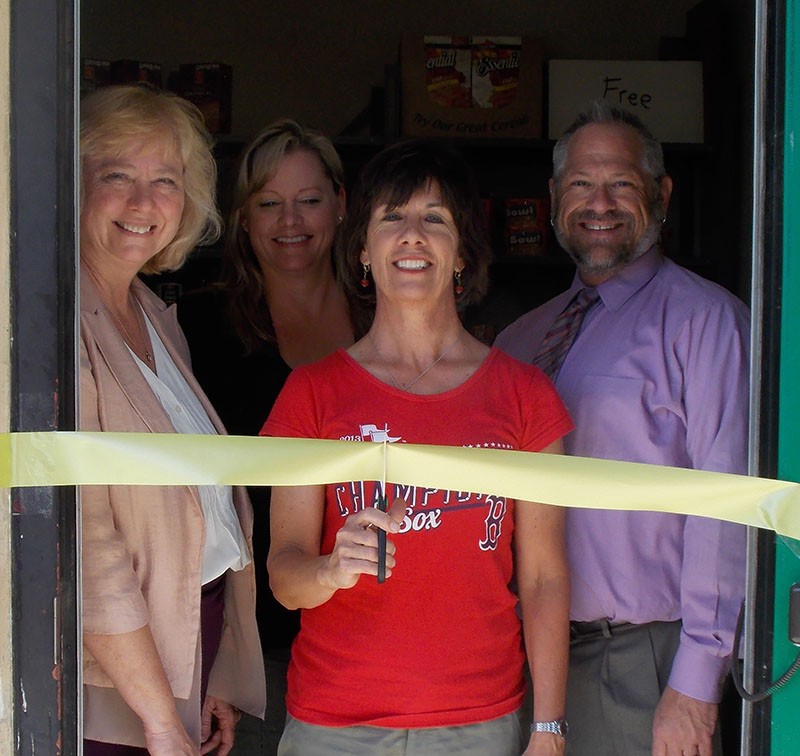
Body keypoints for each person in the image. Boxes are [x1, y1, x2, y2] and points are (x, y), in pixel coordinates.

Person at [261, 138, 573, 756]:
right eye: (391, 218)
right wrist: (328, 569)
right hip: (334, 721)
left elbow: (543, 576)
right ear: (362, 251)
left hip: (478, 720)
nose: (411, 235)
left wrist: (549, 726)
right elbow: (283, 573)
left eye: (435, 218)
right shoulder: (312, 394)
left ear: (463, 254)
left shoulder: (524, 396)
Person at [496, 101, 749, 756]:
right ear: (554, 198)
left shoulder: (707, 322)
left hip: (638, 662)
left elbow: (727, 508)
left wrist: (695, 682)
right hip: (515, 661)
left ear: (660, 195)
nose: (599, 203)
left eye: (621, 184)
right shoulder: (520, 341)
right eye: (581, 184)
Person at [79, 84, 265, 756]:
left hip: (189, 639)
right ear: (71, 186)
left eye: (165, 180)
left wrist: (214, 668)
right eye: (116, 176)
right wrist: (159, 716)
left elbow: (203, 508)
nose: (142, 202)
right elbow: (82, 535)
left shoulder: (157, 316)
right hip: (112, 685)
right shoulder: (56, 325)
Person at [177, 119, 361, 742]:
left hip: (377, 624)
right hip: (250, 639)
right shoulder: (197, 326)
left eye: (309, 200)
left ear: (341, 205)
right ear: (243, 218)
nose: (291, 221)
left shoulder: (392, 317)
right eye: (269, 203)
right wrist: (211, 656)